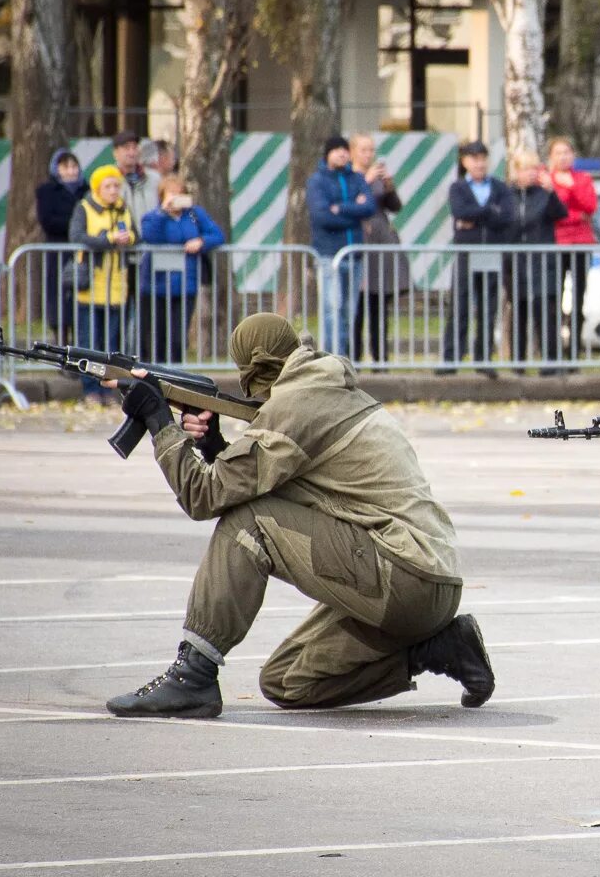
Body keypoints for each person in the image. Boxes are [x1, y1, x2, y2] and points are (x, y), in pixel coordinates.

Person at [101, 313, 493, 717]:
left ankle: (193, 676)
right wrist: (216, 443)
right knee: (287, 681)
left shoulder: (296, 406)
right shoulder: (320, 387)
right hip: (425, 583)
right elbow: (276, 484)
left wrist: (160, 424)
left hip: (404, 578)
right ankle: (438, 647)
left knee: (247, 525)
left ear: (254, 365)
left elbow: (202, 496)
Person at [136, 175, 225, 365]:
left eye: (179, 194)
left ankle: (175, 377)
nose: (176, 198)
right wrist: (163, 212)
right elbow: (149, 236)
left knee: (177, 338)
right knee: (154, 336)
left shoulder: (194, 214)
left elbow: (217, 235)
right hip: (155, 286)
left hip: (185, 285)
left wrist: (201, 241)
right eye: (171, 194)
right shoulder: (153, 216)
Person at [444, 140, 514, 375]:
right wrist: (489, 211)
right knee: (460, 304)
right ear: (465, 162)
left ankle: (483, 358)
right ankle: (451, 357)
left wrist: (477, 217)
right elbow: (459, 211)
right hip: (466, 252)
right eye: (474, 159)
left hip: (492, 252)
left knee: (488, 306)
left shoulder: (500, 188)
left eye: (483, 158)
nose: (480, 163)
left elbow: (507, 216)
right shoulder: (458, 188)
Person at [306, 136, 377, 360]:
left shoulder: (356, 178)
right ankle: (330, 358)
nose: (342, 154)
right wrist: (354, 214)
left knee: (348, 311)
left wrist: (341, 209)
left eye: (345, 150)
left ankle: (342, 358)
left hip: (354, 254)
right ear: (327, 154)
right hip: (329, 254)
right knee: (332, 308)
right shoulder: (317, 181)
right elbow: (322, 216)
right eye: (336, 150)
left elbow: (369, 207)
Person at [69, 165, 136, 403]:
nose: (113, 190)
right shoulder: (85, 207)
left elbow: (135, 234)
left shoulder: (123, 209)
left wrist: (130, 238)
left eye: (116, 185)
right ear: (98, 188)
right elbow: (77, 237)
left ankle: (106, 389)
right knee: (89, 343)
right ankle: (89, 389)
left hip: (116, 287)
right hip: (90, 287)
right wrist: (108, 240)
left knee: (109, 345)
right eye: (108, 186)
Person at [506, 150, 570, 371]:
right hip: (516, 263)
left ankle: (550, 363)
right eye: (526, 168)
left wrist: (552, 192)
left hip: (543, 263)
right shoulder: (508, 195)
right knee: (519, 312)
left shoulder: (544, 195)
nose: (531, 173)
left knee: (546, 312)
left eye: (534, 168)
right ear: (516, 171)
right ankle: (518, 363)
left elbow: (561, 213)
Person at [349, 134, 407, 367]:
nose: (369, 154)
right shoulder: (352, 179)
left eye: (371, 149)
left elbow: (395, 207)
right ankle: (355, 357)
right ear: (353, 151)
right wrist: (366, 180)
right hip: (360, 244)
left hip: (380, 247)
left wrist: (389, 187)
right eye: (363, 150)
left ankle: (380, 357)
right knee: (358, 306)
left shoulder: (378, 178)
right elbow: (356, 204)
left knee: (380, 305)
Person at [545, 138, 600, 360]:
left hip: (581, 244)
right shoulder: (546, 180)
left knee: (579, 298)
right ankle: (554, 348)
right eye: (558, 153)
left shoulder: (582, 178)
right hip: (557, 243)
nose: (563, 157)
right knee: (553, 298)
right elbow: (553, 213)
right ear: (551, 157)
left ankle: (574, 349)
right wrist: (575, 215)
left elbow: (591, 205)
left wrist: (569, 187)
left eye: (567, 152)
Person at [35, 149, 88, 342]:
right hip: (58, 250)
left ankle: (78, 343)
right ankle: (60, 337)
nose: (71, 171)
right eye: (66, 166)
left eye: (74, 166)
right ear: (57, 169)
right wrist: (76, 225)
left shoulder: (86, 191)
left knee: (79, 294)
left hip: (82, 250)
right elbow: (48, 221)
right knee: (59, 295)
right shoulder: (47, 191)